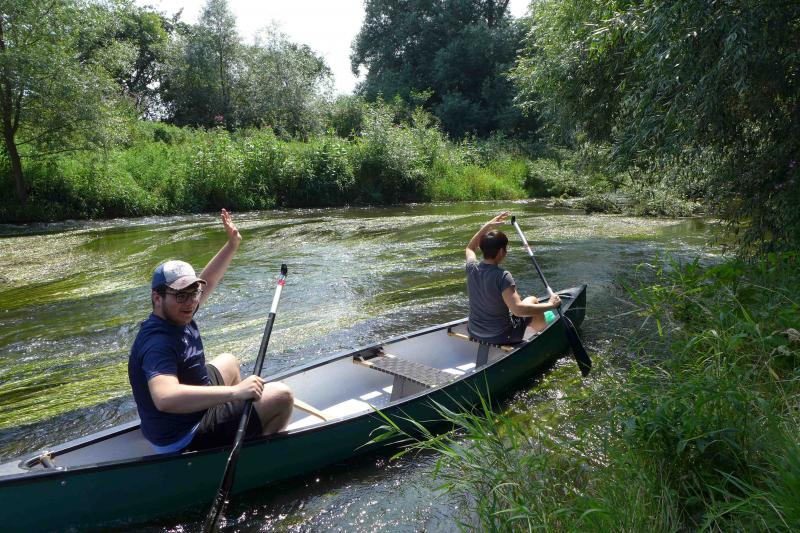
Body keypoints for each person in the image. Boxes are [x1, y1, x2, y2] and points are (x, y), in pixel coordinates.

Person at [128, 209, 294, 454]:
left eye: (193, 292)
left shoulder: (177, 312)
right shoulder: (158, 342)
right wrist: (235, 392)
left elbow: (209, 280)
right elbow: (165, 398)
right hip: (184, 434)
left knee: (229, 362)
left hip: (190, 412)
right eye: (181, 295)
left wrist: (232, 245)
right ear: (157, 298)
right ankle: (254, 454)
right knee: (282, 396)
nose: (191, 302)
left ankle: (239, 427)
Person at [465, 211, 561, 345]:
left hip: (473, 331)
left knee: (526, 302)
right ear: (501, 251)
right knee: (533, 301)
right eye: (505, 248)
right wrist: (551, 305)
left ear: (483, 249)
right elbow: (518, 310)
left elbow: (470, 248)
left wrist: (487, 226)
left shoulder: (471, 267)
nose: (506, 251)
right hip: (502, 336)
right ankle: (544, 336)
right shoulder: (503, 276)